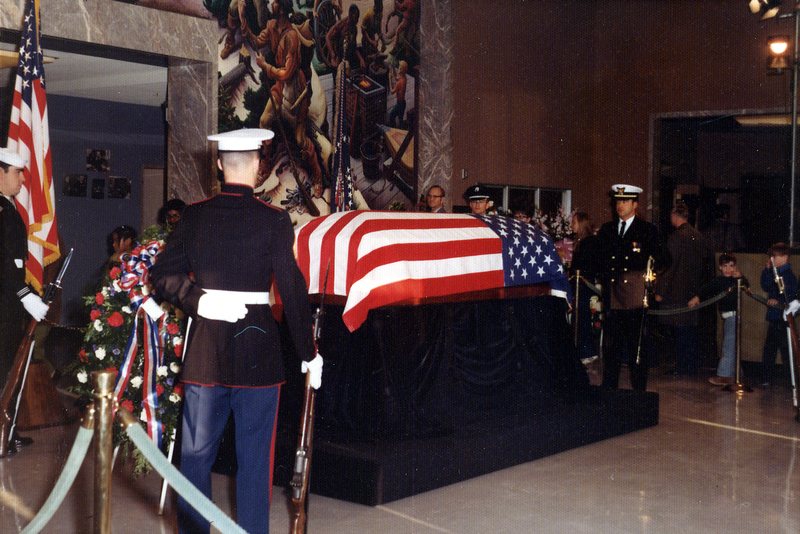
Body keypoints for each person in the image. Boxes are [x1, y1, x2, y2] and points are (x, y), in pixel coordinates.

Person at [150, 129, 322, 534]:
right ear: (260, 166)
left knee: (195, 458)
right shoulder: (274, 219)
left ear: (219, 164)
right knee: (255, 462)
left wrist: (198, 301)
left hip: (205, 350)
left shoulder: (194, 214)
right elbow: (292, 290)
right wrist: (309, 353)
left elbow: (163, 276)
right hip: (257, 350)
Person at [597, 184, 668, 391]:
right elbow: (600, 259)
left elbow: (665, 259)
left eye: (625, 201)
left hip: (635, 297)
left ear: (635, 204)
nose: (620, 205)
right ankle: (609, 391)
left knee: (636, 348)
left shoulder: (646, 230)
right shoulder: (608, 229)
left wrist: (649, 278)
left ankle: (638, 392)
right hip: (612, 295)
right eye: (618, 201)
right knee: (611, 347)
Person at [0, 147, 48, 452]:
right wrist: (24, 294)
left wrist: (27, 294)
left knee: (10, 367)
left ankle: (8, 430)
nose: (22, 179)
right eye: (17, 172)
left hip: (9, 305)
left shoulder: (9, 207)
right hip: (4, 303)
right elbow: (4, 263)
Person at [655, 202, 713, 376]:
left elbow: (670, 266)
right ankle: (691, 364)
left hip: (676, 291)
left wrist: (660, 291)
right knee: (689, 329)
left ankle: (682, 366)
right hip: (693, 290)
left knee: (679, 330)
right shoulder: (699, 235)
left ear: (674, 216)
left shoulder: (676, 237)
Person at [688, 253, 749, 386]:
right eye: (725, 266)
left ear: (735, 267)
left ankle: (724, 375)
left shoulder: (736, 279)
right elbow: (706, 288)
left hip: (734, 317)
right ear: (720, 267)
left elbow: (746, 285)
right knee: (731, 346)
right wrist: (697, 297)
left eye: (731, 266)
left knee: (728, 345)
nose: (728, 269)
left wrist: (740, 277)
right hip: (728, 318)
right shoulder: (718, 281)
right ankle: (737, 373)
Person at [759, 242, 796, 389]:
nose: (772, 259)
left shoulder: (788, 275)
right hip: (774, 317)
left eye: (775, 257)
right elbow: (766, 285)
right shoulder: (775, 272)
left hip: (783, 318)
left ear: (785, 257)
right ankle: (766, 377)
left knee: (786, 351)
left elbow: (788, 294)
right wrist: (767, 269)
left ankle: (792, 379)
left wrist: (778, 301)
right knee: (770, 349)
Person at [570, 212, 601, 365]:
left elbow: (586, 266)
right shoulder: (583, 241)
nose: (571, 226)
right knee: (580, 318)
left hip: (584, 285)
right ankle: (584, 351)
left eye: (574, 222)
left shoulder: (588, 242)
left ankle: (587, 352)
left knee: (581, 318)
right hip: (581, 284)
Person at [388, 60, 408, 128]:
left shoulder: (399, 83)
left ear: (401, 70)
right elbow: (396, 77)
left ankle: (393, 129)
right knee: (400, 120)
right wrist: (393, 67)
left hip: (399, 104)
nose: (398, 68)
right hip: (403, 103)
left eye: (399, 67)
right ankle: (401, 129)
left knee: (391, 116)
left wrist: (390, 79)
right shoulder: (404, 78)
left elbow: (392, 91)